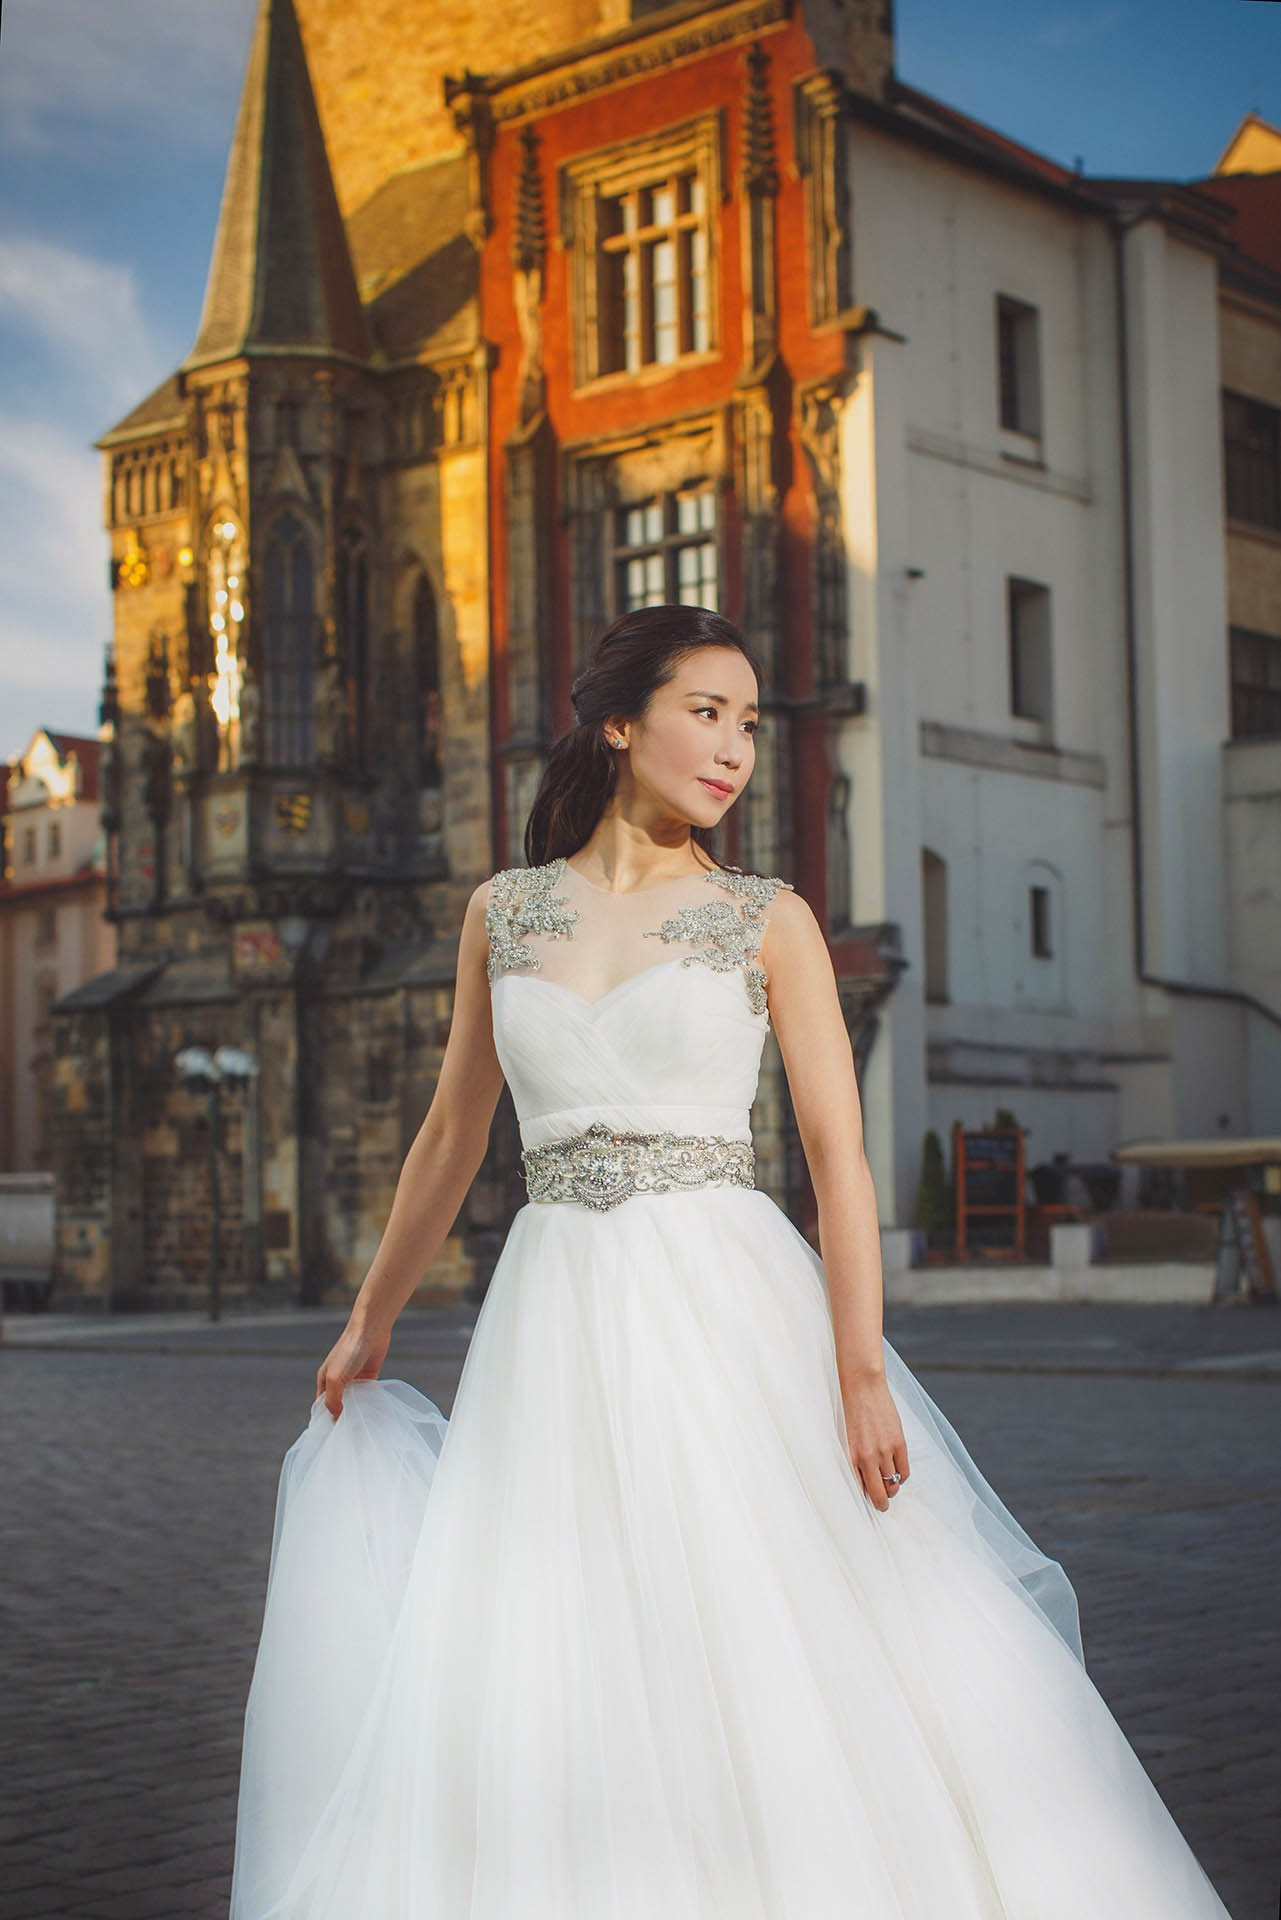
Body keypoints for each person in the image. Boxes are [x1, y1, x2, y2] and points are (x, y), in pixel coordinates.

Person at [229, 606, 1233, 1919]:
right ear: (614, 720)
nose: (732, 748)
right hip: (551, 1317)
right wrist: (370, 1319)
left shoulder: (767, 919)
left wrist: (859, 1368)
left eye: (749, 723)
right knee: (562, 1621)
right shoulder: (502, 912)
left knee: (765, 1615)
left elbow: (837, 1155)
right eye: (705, 711)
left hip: (724, 1298)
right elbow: (447, 1135)